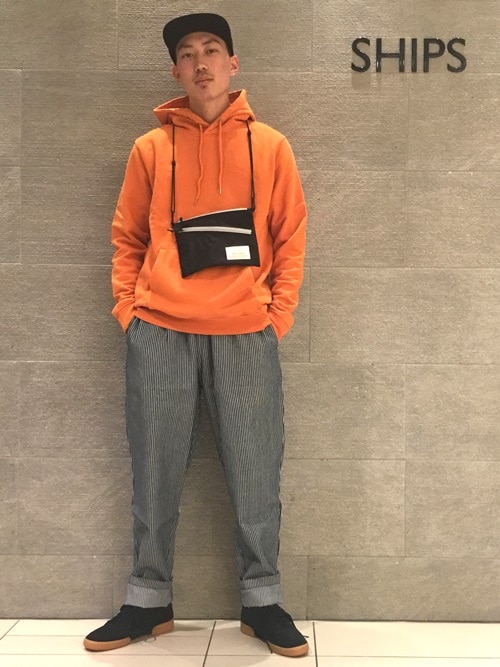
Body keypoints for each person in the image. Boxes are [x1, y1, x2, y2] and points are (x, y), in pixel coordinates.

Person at [83, 12, 308, 659]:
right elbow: (127, 237)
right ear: (176, 70)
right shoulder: (151, 149)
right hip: (160, 331)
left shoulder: (271, 146)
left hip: (246, 332)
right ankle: (147, 601)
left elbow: (291, 235)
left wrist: (276, 314)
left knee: (256, 470)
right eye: (187, 53)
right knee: (153, 469)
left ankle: (262, 603)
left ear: (233, 64)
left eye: (212, 50)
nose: (201, 62)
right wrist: (131, 312)